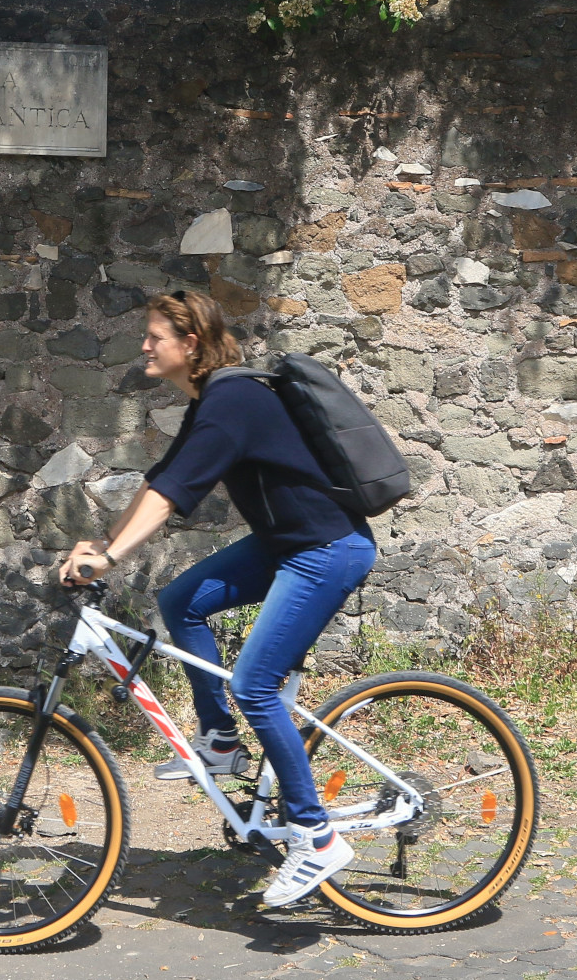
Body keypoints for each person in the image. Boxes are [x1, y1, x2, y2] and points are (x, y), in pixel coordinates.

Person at [58, 289, 377, 909]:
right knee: (182, 599)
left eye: (155, 337)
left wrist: (111, 558)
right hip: (285, 544)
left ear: (191, 344)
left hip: (325, 550)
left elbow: (174, 495)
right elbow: (160, 481)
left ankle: (317, 837)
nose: (144, 347)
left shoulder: (231, 399)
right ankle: (221, 741)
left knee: (255, 682)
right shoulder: (212, 402)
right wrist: (104, 540)